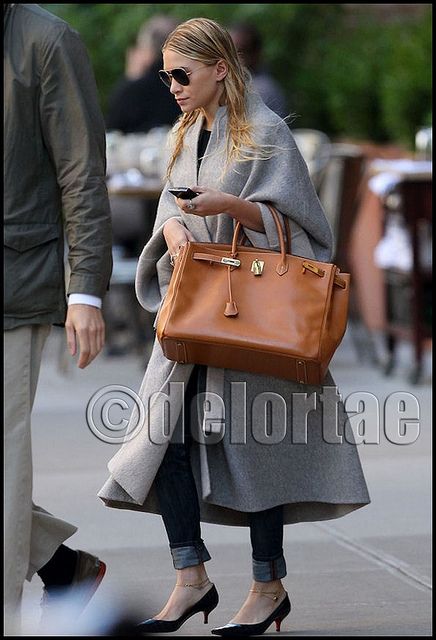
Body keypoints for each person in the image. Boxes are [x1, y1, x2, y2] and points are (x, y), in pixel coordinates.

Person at [98, 18, 370, 637]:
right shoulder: (187, 130)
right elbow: (172, 202)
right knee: (163, 441)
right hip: (195, 313)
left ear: (220, 67)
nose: (170, 84)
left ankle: (268, 587)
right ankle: (191, 578)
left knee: (256, 448)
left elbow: (302, 232)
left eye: (181, 73)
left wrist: (230, 208)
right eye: (166, 73)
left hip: (250, 317)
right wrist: (171, 227)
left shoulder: (267, 133)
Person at [4, 4, 112, 634]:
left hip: (15, 287)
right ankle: (61, 566)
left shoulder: (48, 41)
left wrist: (86, 292)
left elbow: (81, 171)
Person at [105, 14, 181, 134]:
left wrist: (130, 78)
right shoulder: (189, 83)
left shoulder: (133, 90)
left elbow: (111, 132)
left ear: (148, 50)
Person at [229, 22, 289, 119]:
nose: (231, 58)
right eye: (228, 51)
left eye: (239, 52)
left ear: (256, 54)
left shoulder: (263, 90)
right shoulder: (239, 84)